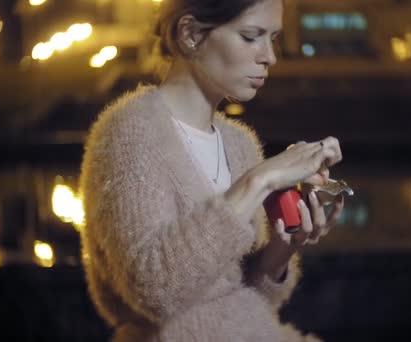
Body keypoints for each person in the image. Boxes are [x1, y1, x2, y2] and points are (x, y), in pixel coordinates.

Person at [79, 0, 345, 340]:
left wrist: (283, 246)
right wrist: (258, 181)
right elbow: (153, 290)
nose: (270, 56)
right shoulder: (129, 134)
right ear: (190, 34)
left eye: (273, 38)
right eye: (251, 37)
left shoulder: (239, 144)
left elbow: (243, 296)